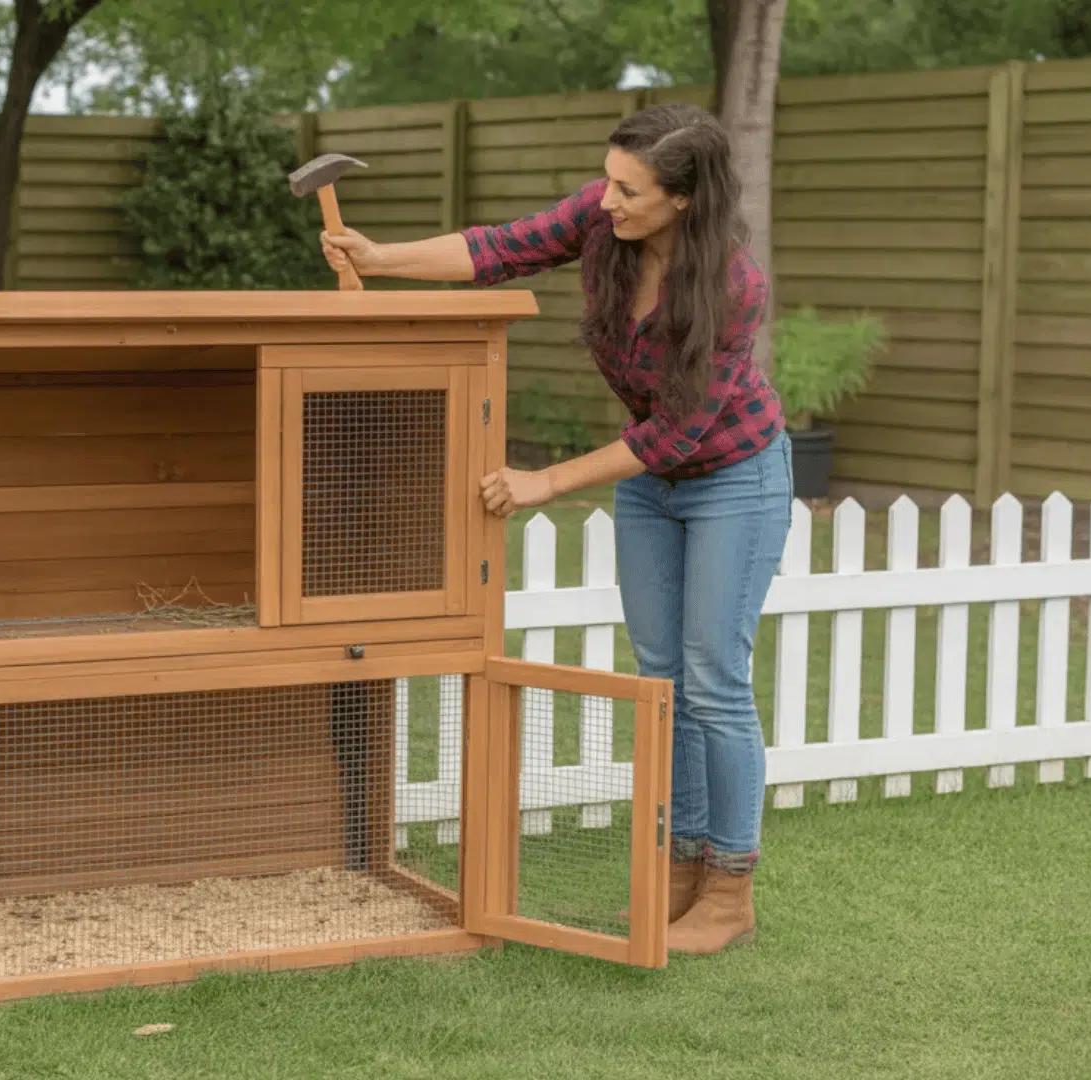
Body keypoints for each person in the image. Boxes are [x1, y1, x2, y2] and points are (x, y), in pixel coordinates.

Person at [321, 102, 792, 956]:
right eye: (608, 180)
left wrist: (546, 480)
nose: (606, 200)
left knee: (714, 679)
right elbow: (497, 248)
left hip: (733, 476)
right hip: (655, 486)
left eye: (628, 189)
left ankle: (731, 889)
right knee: (662, 677)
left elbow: (676, 434)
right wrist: (379, 257)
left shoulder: (731, 286)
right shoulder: (603, 220)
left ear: (682, 199)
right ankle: (680, 872)